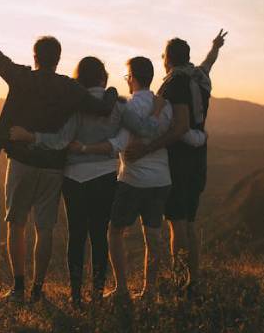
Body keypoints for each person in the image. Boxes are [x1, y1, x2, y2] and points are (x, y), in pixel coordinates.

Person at [0, 0, 119, 304]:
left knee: (16, 223)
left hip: (22, 162)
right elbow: (103, 108)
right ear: (58, 58)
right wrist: (112, 91)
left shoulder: (20, 77)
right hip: (54, 167)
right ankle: (39, 289)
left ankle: (18, 287)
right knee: (45, 229)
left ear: (35, 56)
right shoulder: (70, 88)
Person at [9, 56, 164, 307]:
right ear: (103, 78)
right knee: (100, 236)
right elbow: (146, 130)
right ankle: (97, 292)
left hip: (73, 178)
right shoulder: (119, 105)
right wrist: (156, 111)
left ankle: (76, 295)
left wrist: (31, 137)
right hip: (104, 176)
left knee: (77, 235)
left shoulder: (75, 106)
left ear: (78, 79)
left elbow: (60, 140)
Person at [125, 30, 228, 298]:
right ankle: (193, 281)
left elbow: (180, 126)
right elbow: (209, 63)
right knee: (189, 222)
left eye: (163, 56)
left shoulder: (175, 85)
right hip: (198, 157)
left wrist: (147, 148)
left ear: (168, 59)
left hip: (180, 160)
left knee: (177, 223)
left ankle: (181, 282)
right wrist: (215, 46)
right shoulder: (199, 77)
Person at [82, 57, 173, 301]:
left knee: (115, 232)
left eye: (127, 76)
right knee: (153, 236)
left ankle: (122, 289)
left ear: (132, 77)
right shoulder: (166, 106)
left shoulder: (127, 106)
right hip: (161, 179)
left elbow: (121, 143)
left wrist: (85, 148)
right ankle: (149, 291)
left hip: (132, 179)